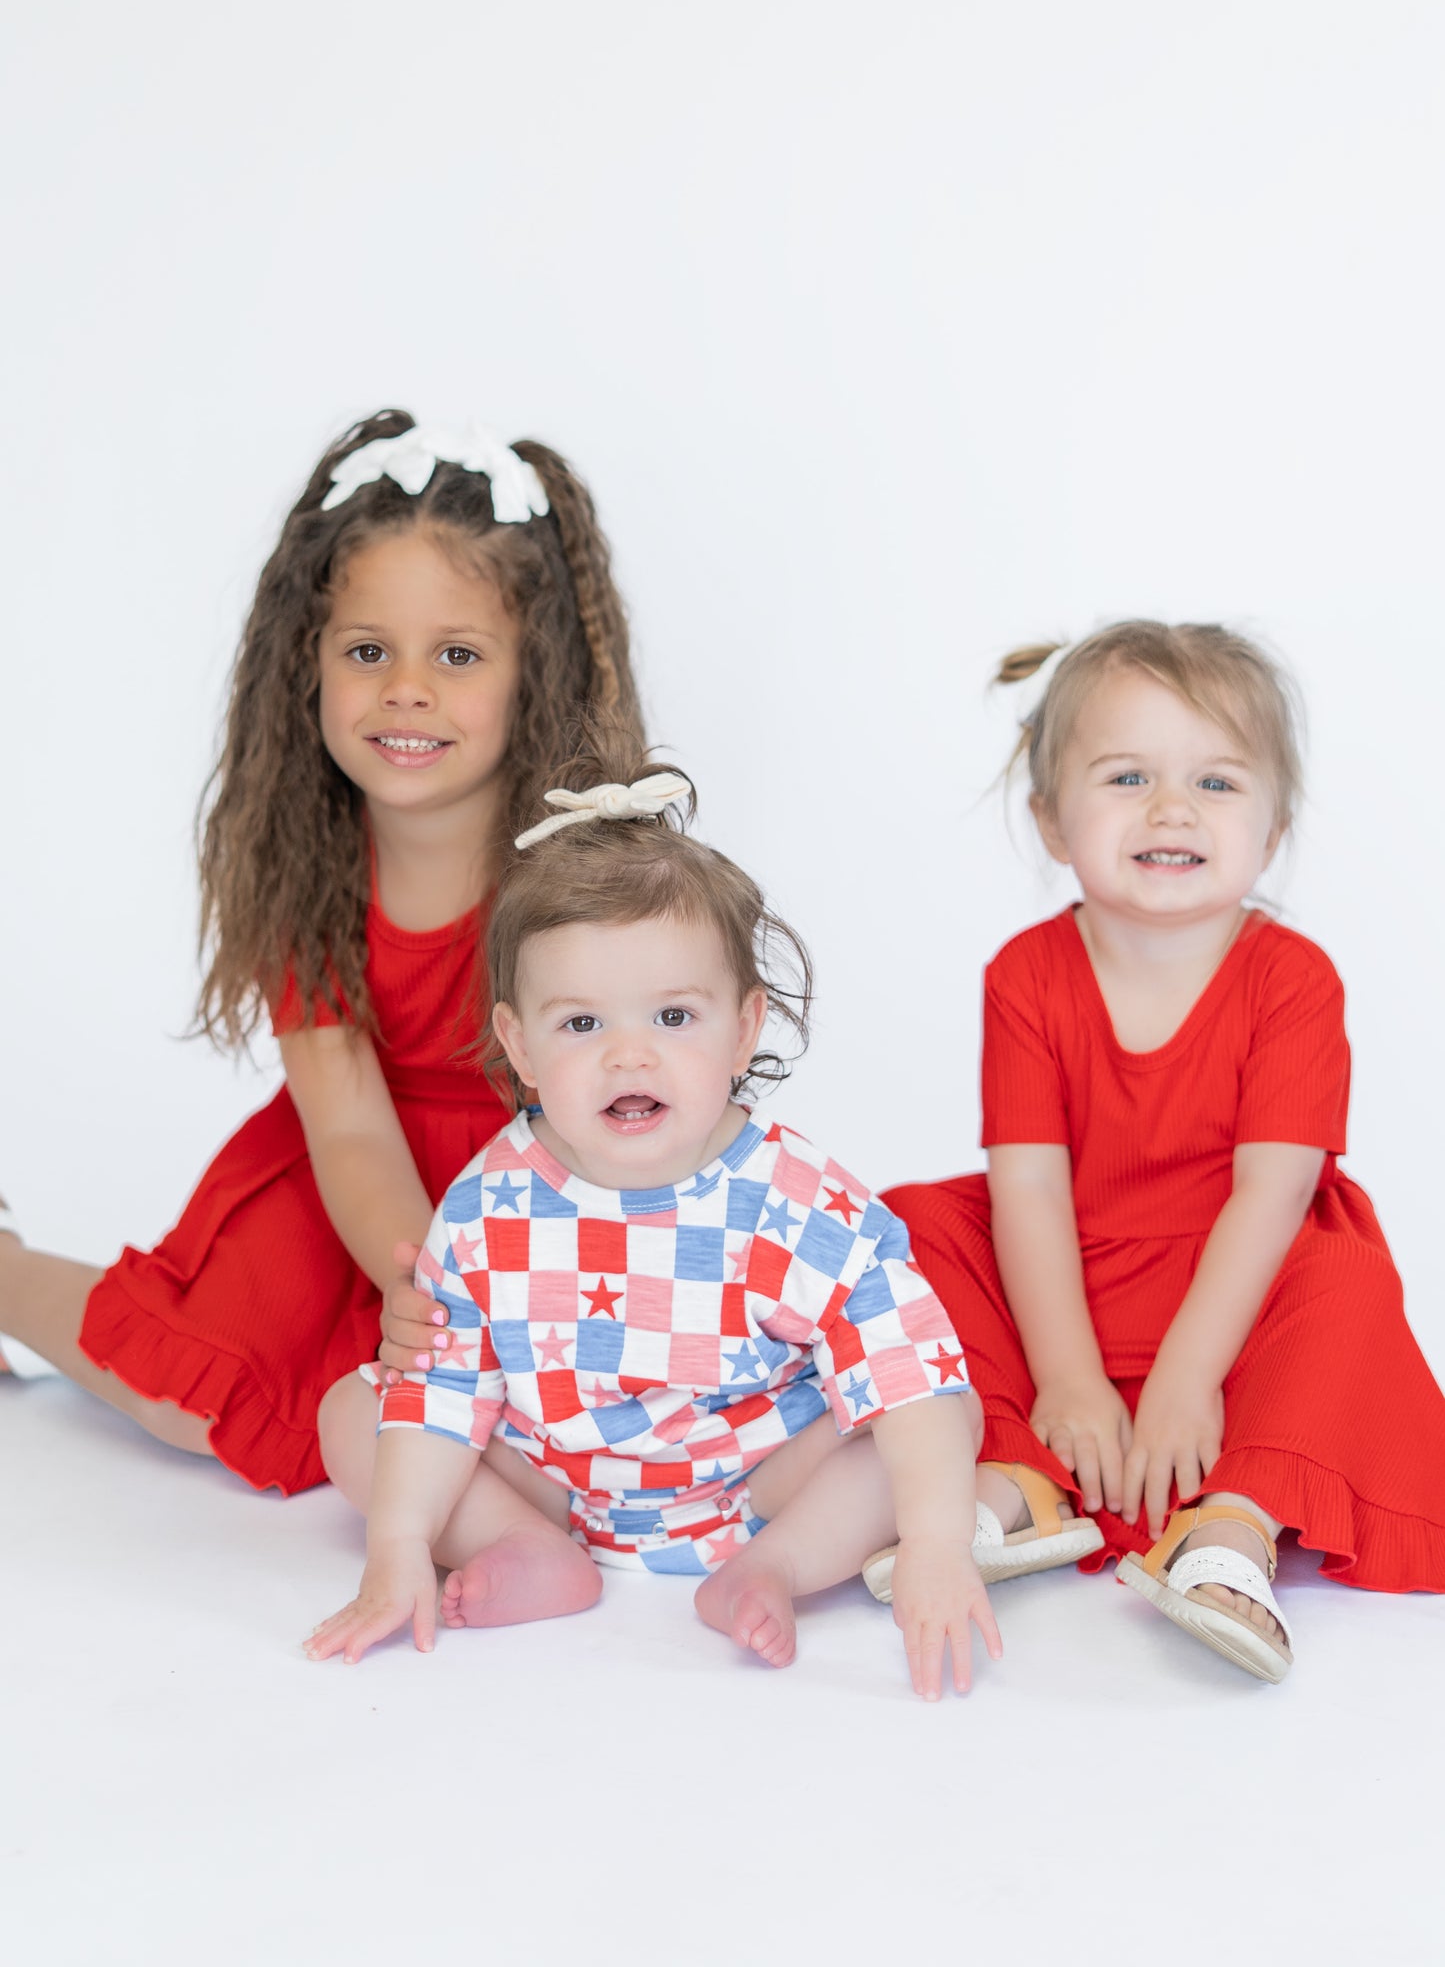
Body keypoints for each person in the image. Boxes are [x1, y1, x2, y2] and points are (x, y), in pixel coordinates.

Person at [0, 412, 642, 1497]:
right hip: (352, 1182)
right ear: (309, 665)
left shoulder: (584, 871)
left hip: (544, 1179)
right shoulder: (312, 867)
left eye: (456, 653)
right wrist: (420, 1277)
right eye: (365, 651)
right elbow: (345, 1119)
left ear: (532, 675)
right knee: (195, 1396)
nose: (405, 688)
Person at [306, 741, 1023, 1698]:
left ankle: (774, 1568)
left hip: (759, 1482)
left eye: (674, 1019)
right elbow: (442, 1389)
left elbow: (900, 1363)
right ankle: (525, 1550)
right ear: (518, 1043)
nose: (628, 1058)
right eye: (581, 1024)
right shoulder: (490, 1201)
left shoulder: (794, 1197)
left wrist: (937, 1546)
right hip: (552, 1480)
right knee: (357, 1412)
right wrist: (396, 1547)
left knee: (933, 1420)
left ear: (745, 1025)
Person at [880, 620, 1445, 1682]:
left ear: (1271, 826)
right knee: (910, 1219)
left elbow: (1269, 1196)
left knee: (1347, 1276)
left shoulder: (1291, 981)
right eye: (1126, 775)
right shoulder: (1025, 974)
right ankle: (1019, 1471)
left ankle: (1231, 1521)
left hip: (1235, 1284)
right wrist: (1068, 1378)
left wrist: (1186, 1377)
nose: (1170, 807)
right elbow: (1030, 1191)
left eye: (1215, 781)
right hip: (1071, 1274)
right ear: (1052, 819)